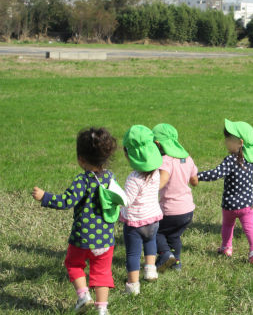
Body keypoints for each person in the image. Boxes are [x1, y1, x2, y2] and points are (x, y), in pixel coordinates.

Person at [32, 127, 118, 315]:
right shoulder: (110, 177)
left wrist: (45, 197)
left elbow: (66, 201)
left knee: (73, 264)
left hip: (82, 238)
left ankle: (83, 296)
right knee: (102, 273)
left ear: (81, 159)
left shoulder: (83, 180)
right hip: (105, 239)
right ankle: (102, 310)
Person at [197, 119, 253, 264]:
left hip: (229, 206)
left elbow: (215, 174)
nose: (225, 141)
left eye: (228, 139)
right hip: (247, 205)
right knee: (250, 228)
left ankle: (226, 247)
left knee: (227, 226)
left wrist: (197, 176)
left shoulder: (230, 160)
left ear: (240, 142)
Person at [121, 125, 164, 295]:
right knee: (150, 243)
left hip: (135, 223)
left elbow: (127, 200)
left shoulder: (133, 178)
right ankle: (150, 270)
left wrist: (115, 197)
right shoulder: (156, 173)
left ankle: (133, 285)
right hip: (153, 219)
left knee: (132, 254)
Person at [153, 123, 199, 272]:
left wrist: (150, 189)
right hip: (187, 211)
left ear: (157, 144)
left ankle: (165, 254)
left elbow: (163, 180)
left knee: (156, 232)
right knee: (174, 236)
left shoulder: (166, 160)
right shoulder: (187, 158)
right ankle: (176, 263)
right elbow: (195, 181)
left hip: (170, 210)